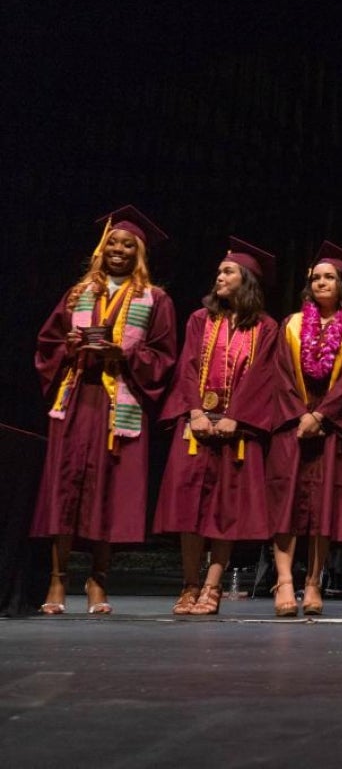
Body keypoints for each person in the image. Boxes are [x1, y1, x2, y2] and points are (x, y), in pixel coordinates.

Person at [32, 206, 177, 615]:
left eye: (127, 244)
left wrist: (125, 352)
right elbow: (47, 345)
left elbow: (165, 356)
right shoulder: (78, 294)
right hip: (76, 401)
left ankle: (99, 580)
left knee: (108, 492)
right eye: (112, 242)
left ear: (139, 252)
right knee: (64, 490)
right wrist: (70, 348)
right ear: (101, 249)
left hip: (120, 404)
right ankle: (57, 582)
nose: (118, 249)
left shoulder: (156, 299)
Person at [154, 238, 279, 616]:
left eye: (228, 271)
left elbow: (262, 377)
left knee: (226, 511)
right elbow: (187, 366)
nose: (219, 277)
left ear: (247, 280)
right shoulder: (199, 319)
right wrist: (192, 411)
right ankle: (190, 583)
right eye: (219, 272)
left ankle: (213, 587)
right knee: (188, 507)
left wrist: (236, 417)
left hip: (236, 431)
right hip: (195, 427)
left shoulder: (265, 327)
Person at [265, 242, 342, 616]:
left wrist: (321, 417)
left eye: (329, 278)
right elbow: (280, 375)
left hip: (331, 429)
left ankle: (313, 584)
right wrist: (299, 416)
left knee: (324, 509)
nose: (321, 283)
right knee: (286, 505)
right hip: (291, 426)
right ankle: (284, 583)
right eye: (316, 278)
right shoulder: (291, 325)